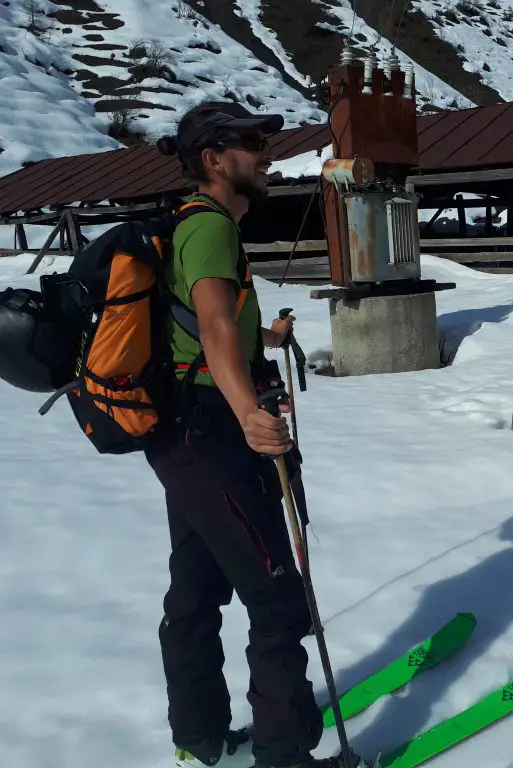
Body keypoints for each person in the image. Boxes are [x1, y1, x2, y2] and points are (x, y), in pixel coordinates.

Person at [149, 101, 335, 767]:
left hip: (182, 431)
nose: (267, 152)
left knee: (197, 586)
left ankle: (198, 739)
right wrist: (248, 409)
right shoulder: (209, 229)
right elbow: (215, 324)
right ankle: (283, 753)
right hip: (211, 431)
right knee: (275, 594)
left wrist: (268, 337)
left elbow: (212, 323)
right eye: (251, 142)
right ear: (211, 159)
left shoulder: (194, 227)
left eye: (265, 141)